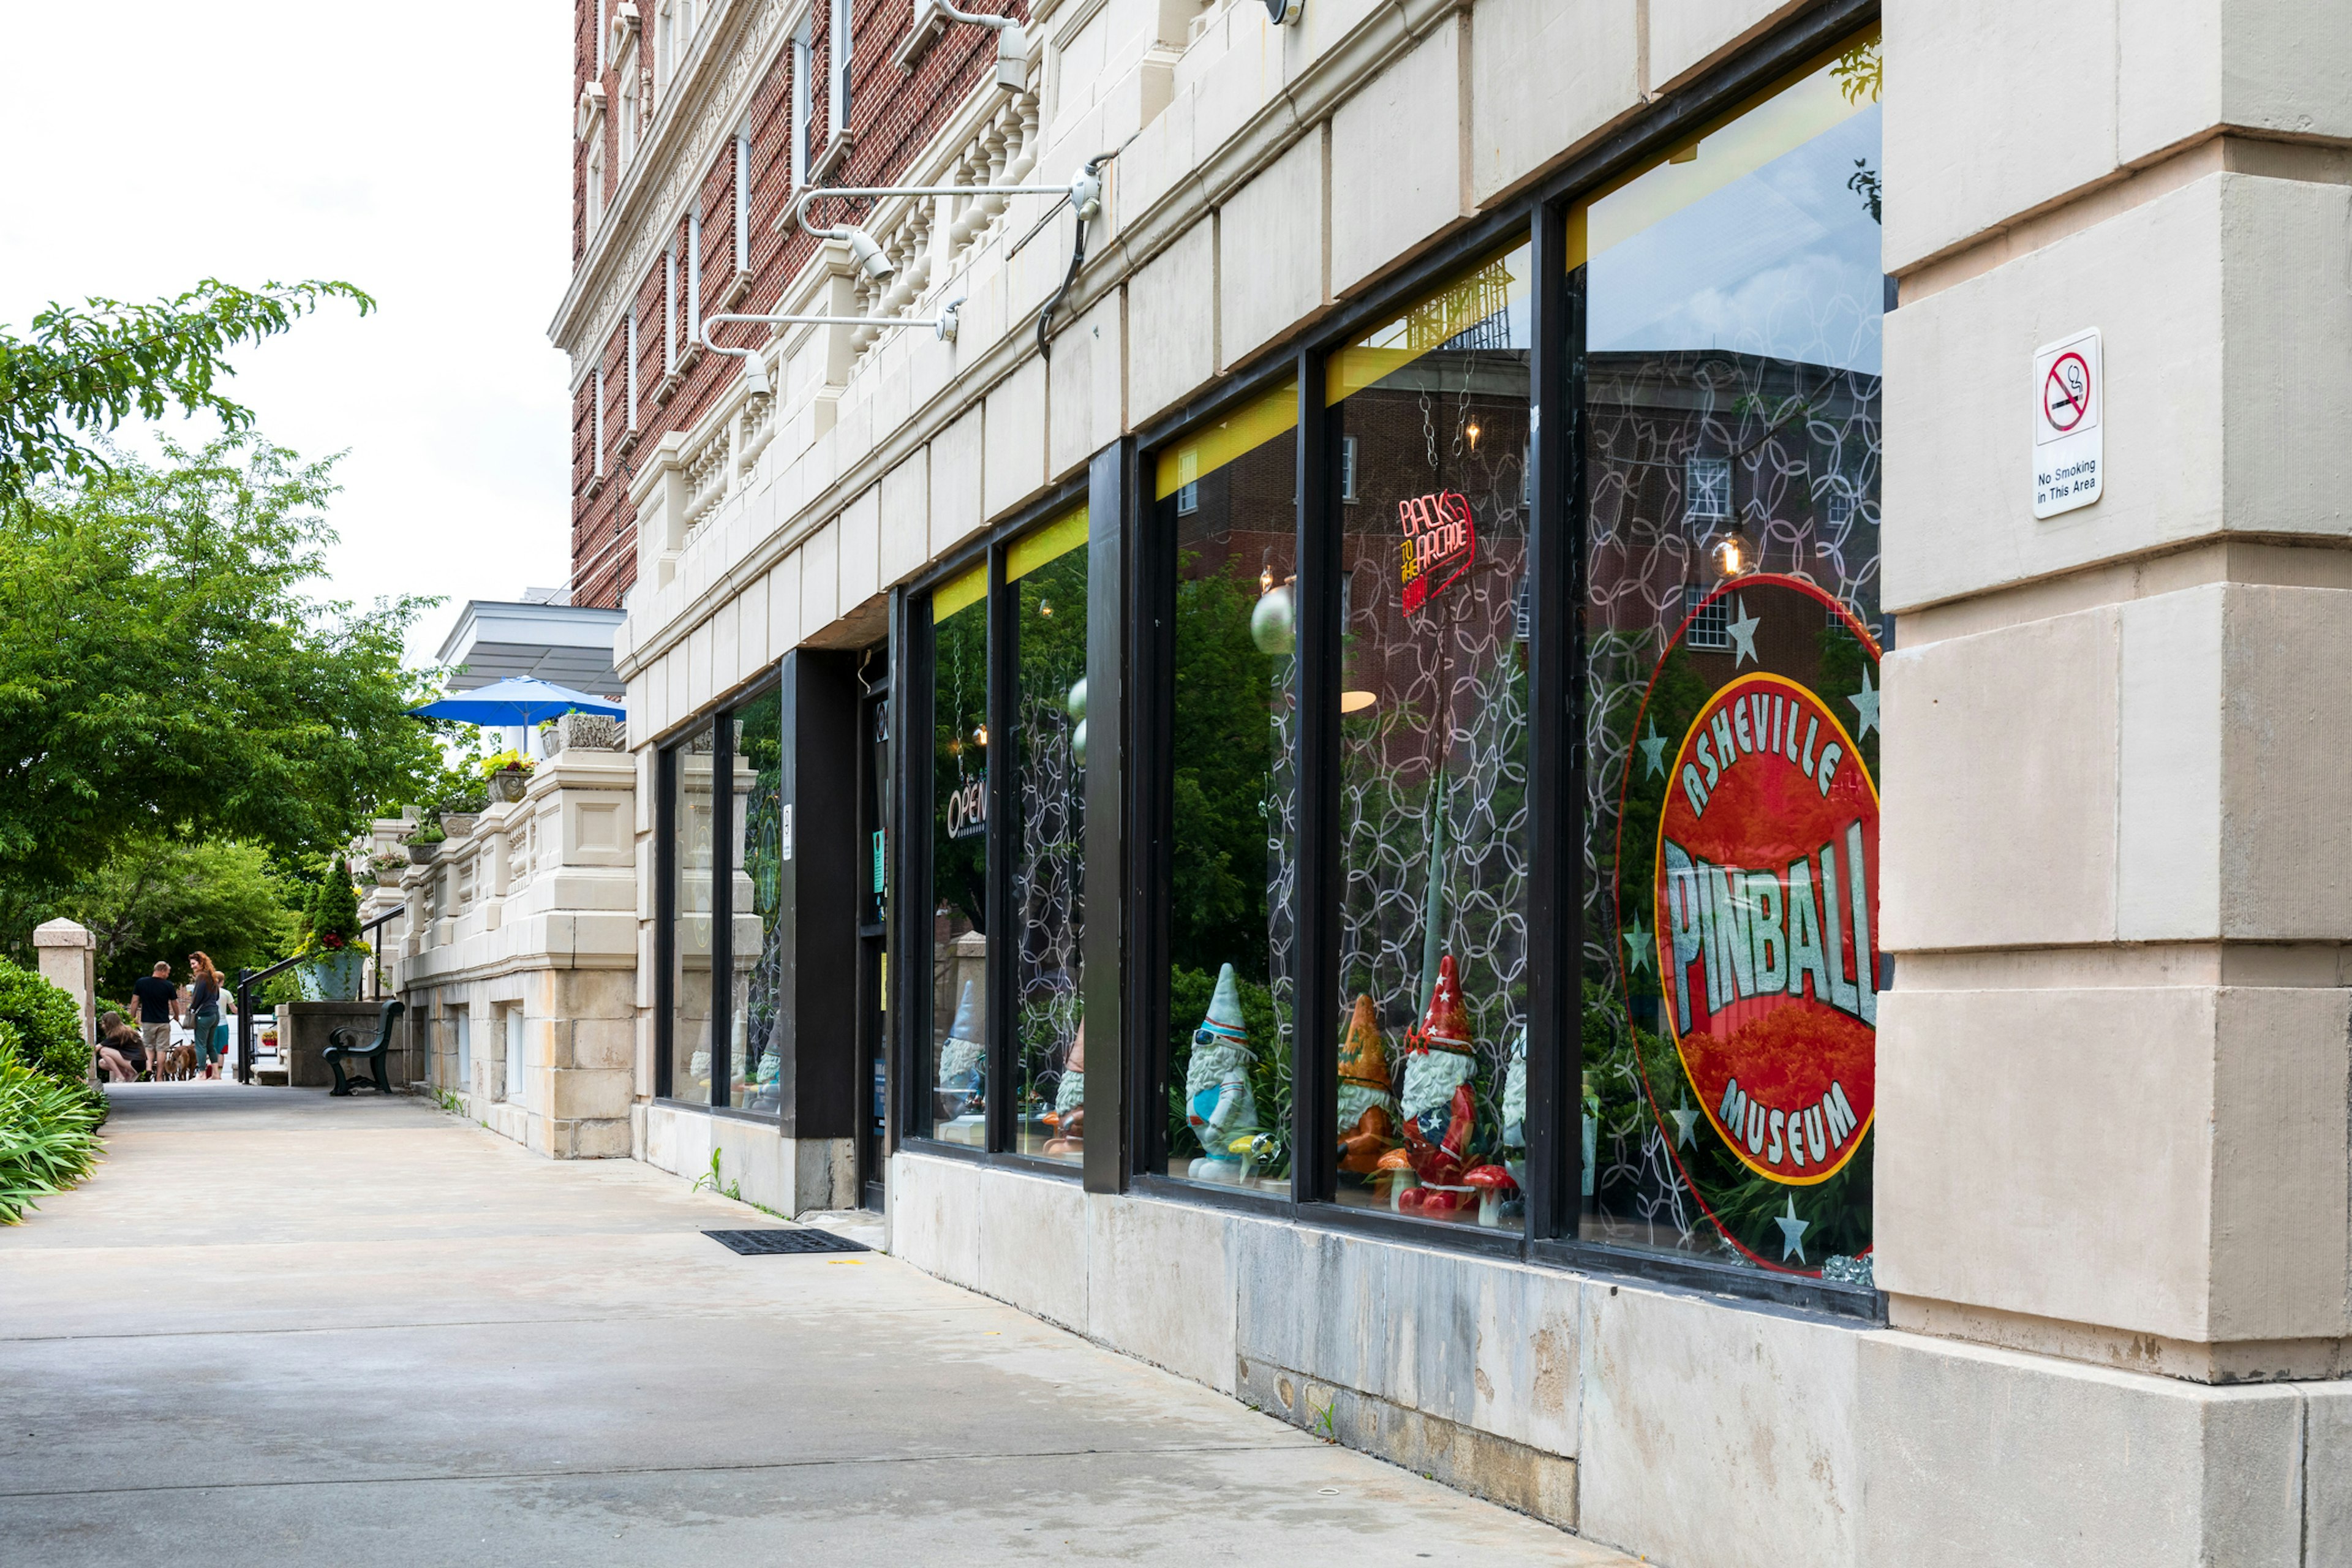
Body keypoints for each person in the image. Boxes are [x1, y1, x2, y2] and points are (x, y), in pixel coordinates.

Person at [132, 962, 178, 1074]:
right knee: (162, 1049)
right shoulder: (168, 985)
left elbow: (135, 1001)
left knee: (148, 1046)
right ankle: (159, 1076)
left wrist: (132, 1017)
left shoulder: (141, 983)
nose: (167, 975)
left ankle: (148, 1068)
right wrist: (176, 1015)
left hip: (147, 1021)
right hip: (163, 1022)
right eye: (167, 972)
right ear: (162, 971)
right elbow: (174, 1003)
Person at [186, 953, 224, 1082]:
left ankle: (202, 1074)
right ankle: (216, 1074)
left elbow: (197, 997)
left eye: (194, 964)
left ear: (201, 963)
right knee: (210, 1045)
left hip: (204, 1015)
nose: (192, 967)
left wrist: (192, 1007)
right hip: (215, 1014)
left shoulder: (201, 977)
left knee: (200, 1045)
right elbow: (217, 997)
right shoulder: (212, 977)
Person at [95, 1011, 143, 1083]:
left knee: (104, 1051)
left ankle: (120, 1077)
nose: (102, 1026)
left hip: (135, 1063)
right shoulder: (125, 1031)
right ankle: (127, 1074)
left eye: (103, 1023)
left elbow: (96, 1048)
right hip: (139, 1063)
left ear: (109, 1024)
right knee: (102, 1063)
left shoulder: (117, 1035)